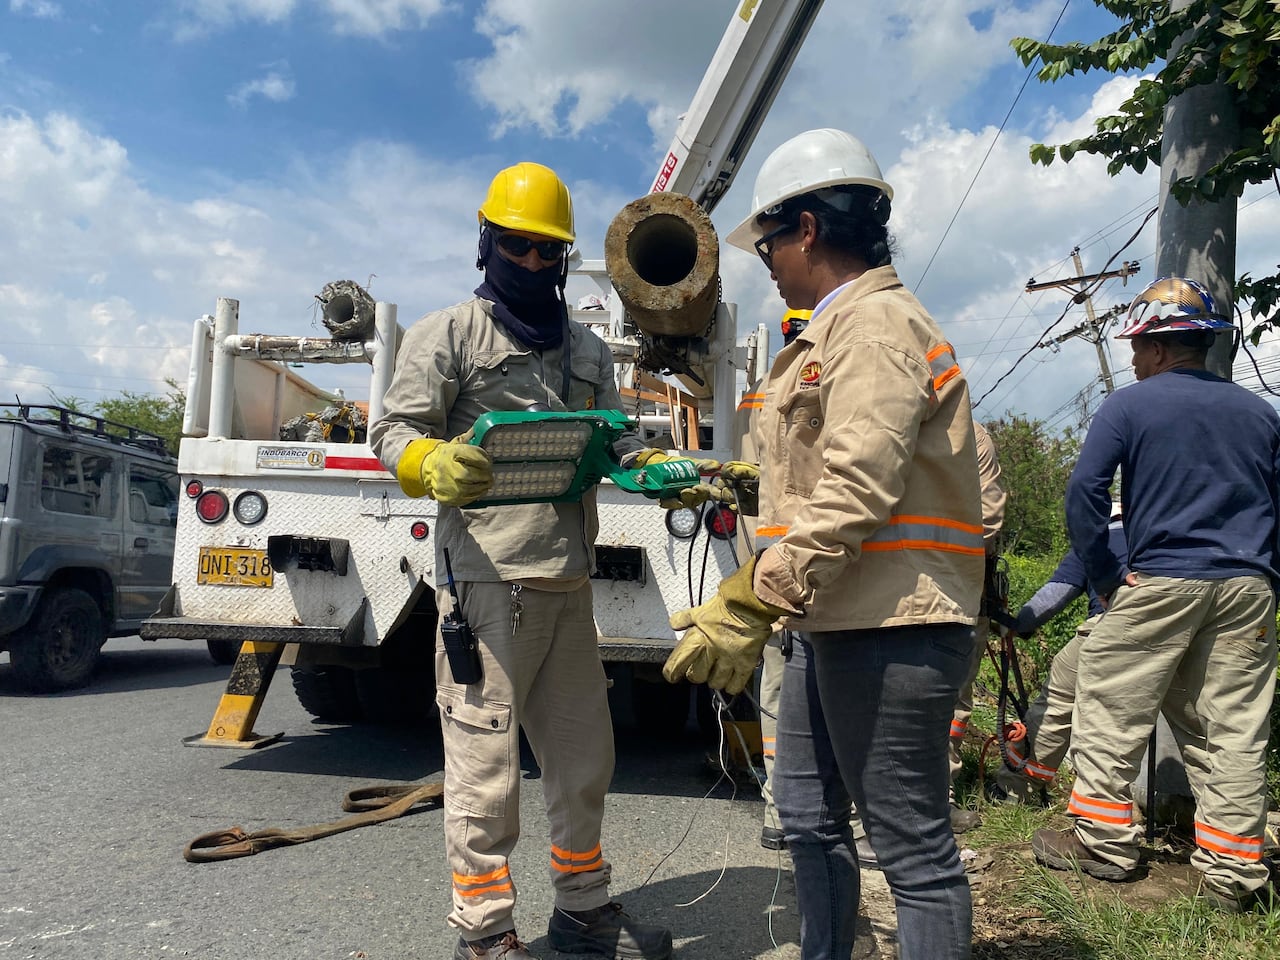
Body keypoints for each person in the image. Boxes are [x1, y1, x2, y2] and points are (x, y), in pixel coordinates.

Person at [665, 128, 984, 959]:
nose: (765, 260)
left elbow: (859, 487)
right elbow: (828, 470)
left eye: (768, 242)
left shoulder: (876, 325)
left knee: (913, 852)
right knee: (805, 820)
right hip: (827, 622)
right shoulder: (833, 333)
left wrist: (752, 597)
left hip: (894, 628)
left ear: (806, 229)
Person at [370, 161, 673, 960]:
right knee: (485, 770)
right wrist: (427, 462)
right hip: (485, 586)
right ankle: (486, 931)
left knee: (582, 762)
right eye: (518, 246)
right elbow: (392, 432)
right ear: (487, 242)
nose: (534, 263)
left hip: (567, 585)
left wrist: (645, 467)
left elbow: (613, 437)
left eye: (548, 252)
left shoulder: (584, 346)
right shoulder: (448, 335)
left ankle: (581, 907)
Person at [1032, 277, 1280, 914]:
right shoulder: (1261, 413)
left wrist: (1108, 579)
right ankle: (1232, 873)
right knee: (1233, 729)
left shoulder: (1129, 406)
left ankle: (1105, 845)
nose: (1134, 359)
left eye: (1139, 347)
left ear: (1163, 347)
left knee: (1108, 699)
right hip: (1249, 586)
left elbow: (1085, 493)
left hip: (1162, 580)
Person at [991, 503, 1127, 803]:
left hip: (1111, 628)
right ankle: (1179, 803)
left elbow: (1056, 593)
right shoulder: (1164, 538)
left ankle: (1016, 788)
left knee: (1058, 698)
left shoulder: (1097, 539)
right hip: (1181, 626)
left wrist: (1018, 625)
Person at [946, 420, 1007, 833]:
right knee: (948, 701)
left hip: (883, 593)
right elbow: (988, 521)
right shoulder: (970, 433)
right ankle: (933, 800)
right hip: (958, 593)